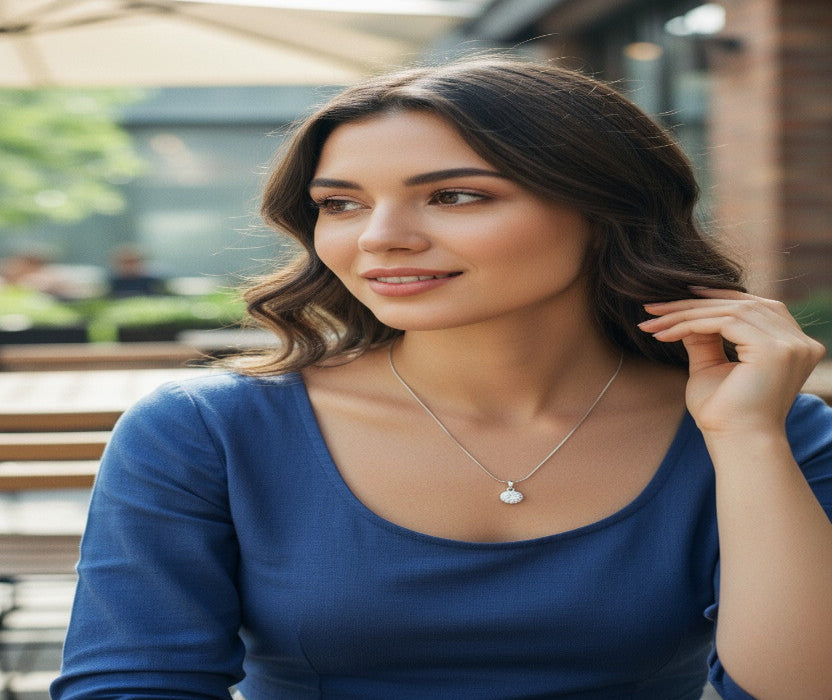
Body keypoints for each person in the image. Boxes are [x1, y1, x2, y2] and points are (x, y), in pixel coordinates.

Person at [52, 56, 832, 700]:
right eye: (342, 204)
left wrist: (747, 439)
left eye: (454, 196)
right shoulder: (206, 430)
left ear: (605, 211)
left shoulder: (766, 427)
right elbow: (134, 684)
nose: (380, 238)